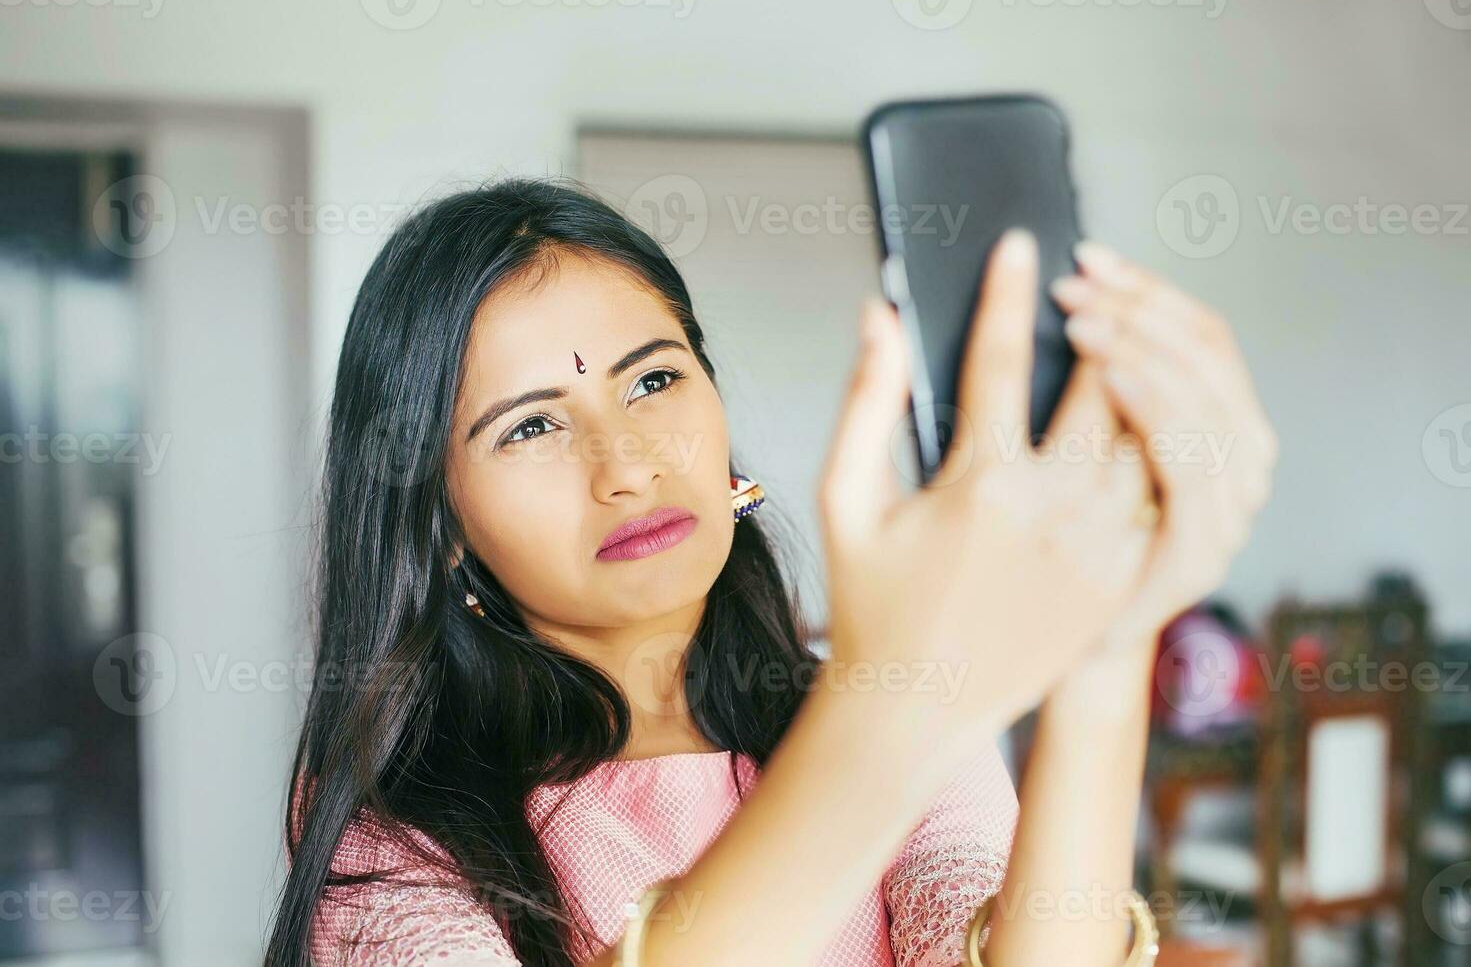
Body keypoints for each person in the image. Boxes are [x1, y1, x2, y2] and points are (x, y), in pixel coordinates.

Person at [264, 178, 1276, 967]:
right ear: (439, 521)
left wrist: (1106, 644)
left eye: (654, 379)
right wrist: (888, 720)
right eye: (531, 425)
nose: (628, 466)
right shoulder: (395, 829)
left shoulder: (877, 691)